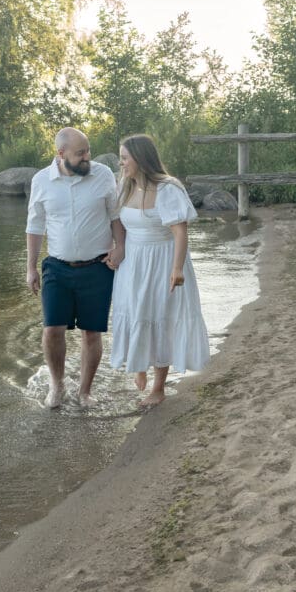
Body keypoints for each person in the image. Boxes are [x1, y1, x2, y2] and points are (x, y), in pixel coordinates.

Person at [26, 127, 125, 408]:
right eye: (80, 153)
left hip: (98, 267)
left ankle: (85, 391)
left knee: (92, 333)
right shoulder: (41, 180)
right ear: (61, 154)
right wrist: (31, 267)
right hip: (57, 267)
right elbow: (34, 226)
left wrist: (121, 248)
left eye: (88, 151)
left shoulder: (103, 174)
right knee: (52, 329)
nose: (87, 157)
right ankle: (57, 386)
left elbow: (115, 216)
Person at [109, 134, 210, 408]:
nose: (121, 163)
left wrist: (177, 269)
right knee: (134, 311)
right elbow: (116, 221)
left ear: (141, 159)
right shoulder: (125, 186)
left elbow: (180, 232)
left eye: (125, 158)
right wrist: (116, 248)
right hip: (134, 261)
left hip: (163, 260)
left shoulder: (168, 188)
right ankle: (139, 365)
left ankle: (158, 386)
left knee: (161, 317)